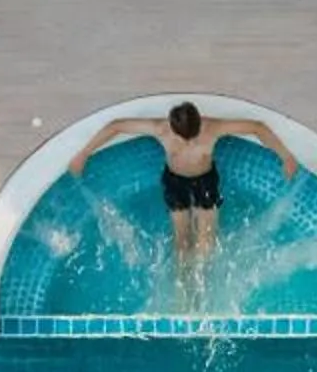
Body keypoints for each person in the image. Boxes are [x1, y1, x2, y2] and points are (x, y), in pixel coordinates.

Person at [71, 102, 301, 273]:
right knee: (181, 243)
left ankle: (203, 288)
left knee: (206, 244)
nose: (189, 142)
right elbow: (116, 126)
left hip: (205, 182)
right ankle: (182, 294)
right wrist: (83, 154)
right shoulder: (161, 129)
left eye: (194, 137)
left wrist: (286, 156)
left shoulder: (212, 128)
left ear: (200, 121)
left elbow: (257, 127)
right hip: (176, 183)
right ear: (172, 126)